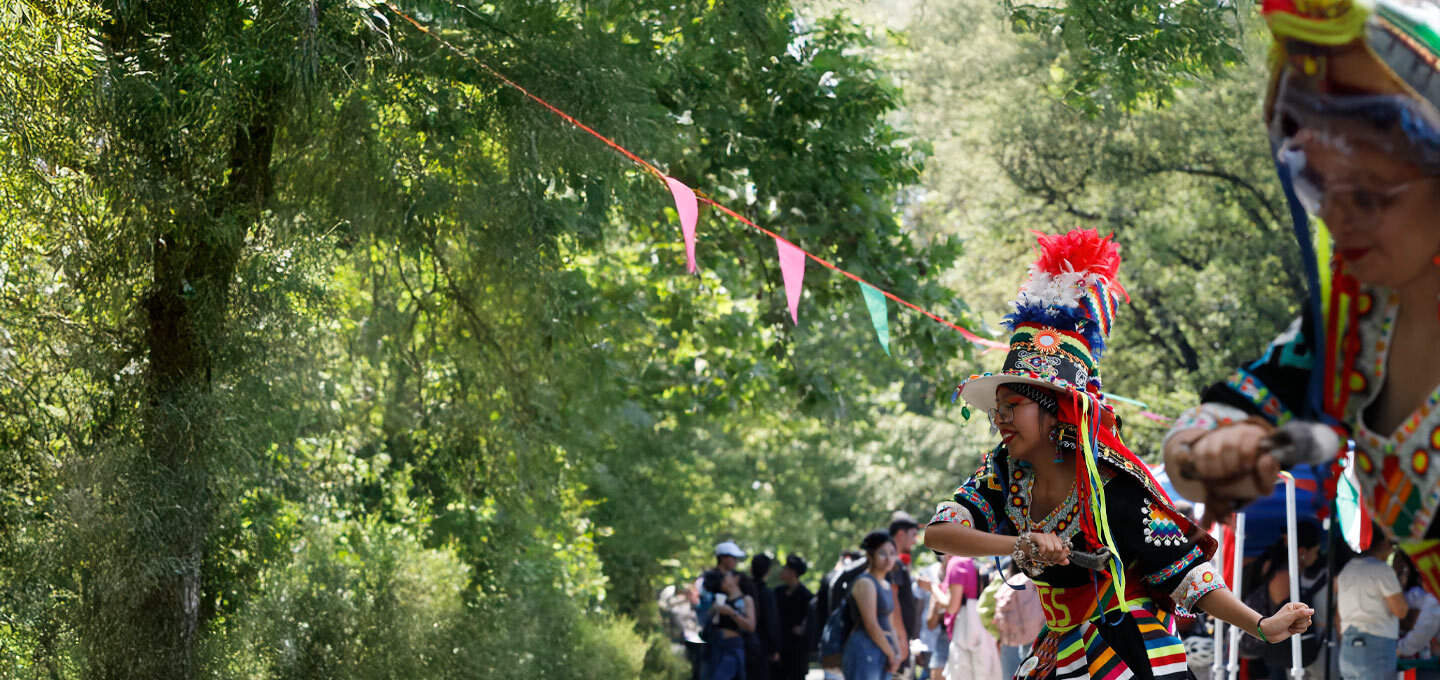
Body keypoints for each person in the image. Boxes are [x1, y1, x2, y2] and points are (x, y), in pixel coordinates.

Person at [925, 229, 1315, 679]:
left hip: (1125, 646)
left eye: (1013, 407)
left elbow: (1183, 572)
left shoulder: (1112, 488)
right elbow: (939, 533)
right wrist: (1019, 544)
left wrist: (1261, 626)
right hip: (1056, 645)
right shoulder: (1004, 474)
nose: (1000, 419)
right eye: (998, 409)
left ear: (1057, 413)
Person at [1159, 0, 1440, 601]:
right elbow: (1238, 406)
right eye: (1314, 182)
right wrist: (1204, 452)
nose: (1336, 216)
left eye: (1368, 193)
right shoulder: (1354, 324)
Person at [1239, 522, 1327, 679]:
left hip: (1276, 653)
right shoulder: (1286, 578)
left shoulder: (1279, 572)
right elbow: (1288, 621)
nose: (1316, 557)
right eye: (1315, 551)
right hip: (1280, 653)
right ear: (1302, 552)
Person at [1336, 524, 1407, 679]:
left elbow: (1337, 615)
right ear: (1384, 543)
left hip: (1347, 647)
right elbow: (1400, 611)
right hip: (1376, 646)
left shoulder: (1347, 570)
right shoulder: (1382, 570)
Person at [843, 530, 904, 680]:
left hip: (884, 648)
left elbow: (890, 624)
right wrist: (891, 653)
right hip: (865, 649)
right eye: (882, 553)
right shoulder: (866, 582)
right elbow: (871, 625)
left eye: (892, 553)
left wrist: (897, 654)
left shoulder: (887, 585)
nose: (888, 558)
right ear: (870, 555)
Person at [706, 568, 758, 680]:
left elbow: (751, 626)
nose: (723, 579)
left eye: (727, 576)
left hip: (733, 645)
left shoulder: (745, 599)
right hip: (717, 644)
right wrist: (714, 610)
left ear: (736, 579)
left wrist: (731, 612)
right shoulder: (721, 599)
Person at [1397, 550, 1440, 677]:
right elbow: (1412, 598)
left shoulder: (1434, 598)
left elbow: (1422, 631)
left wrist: (1398, 649)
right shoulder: (1425, 596)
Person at [887, 512, 920, 674]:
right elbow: (893, 601)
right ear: (900, 534)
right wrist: (901, 638)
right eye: (913, 535)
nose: (915, 541)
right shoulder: (892, 561)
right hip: (895, 640)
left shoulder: (894, 561)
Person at [774, 555, 812, 680]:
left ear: (793, 573)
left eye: (785, 568)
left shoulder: (806, 596)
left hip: (797, 652)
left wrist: (804, 629)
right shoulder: (777, 592)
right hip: (779, 648)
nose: (782, 571)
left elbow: (812, 620)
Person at [747, 553, 782, 680]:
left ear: (751, 569)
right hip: (762, 647)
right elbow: (771, 622)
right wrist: (775, 648)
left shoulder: (743, 590)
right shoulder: (767, 594)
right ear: (768, 571)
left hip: (745, 643)